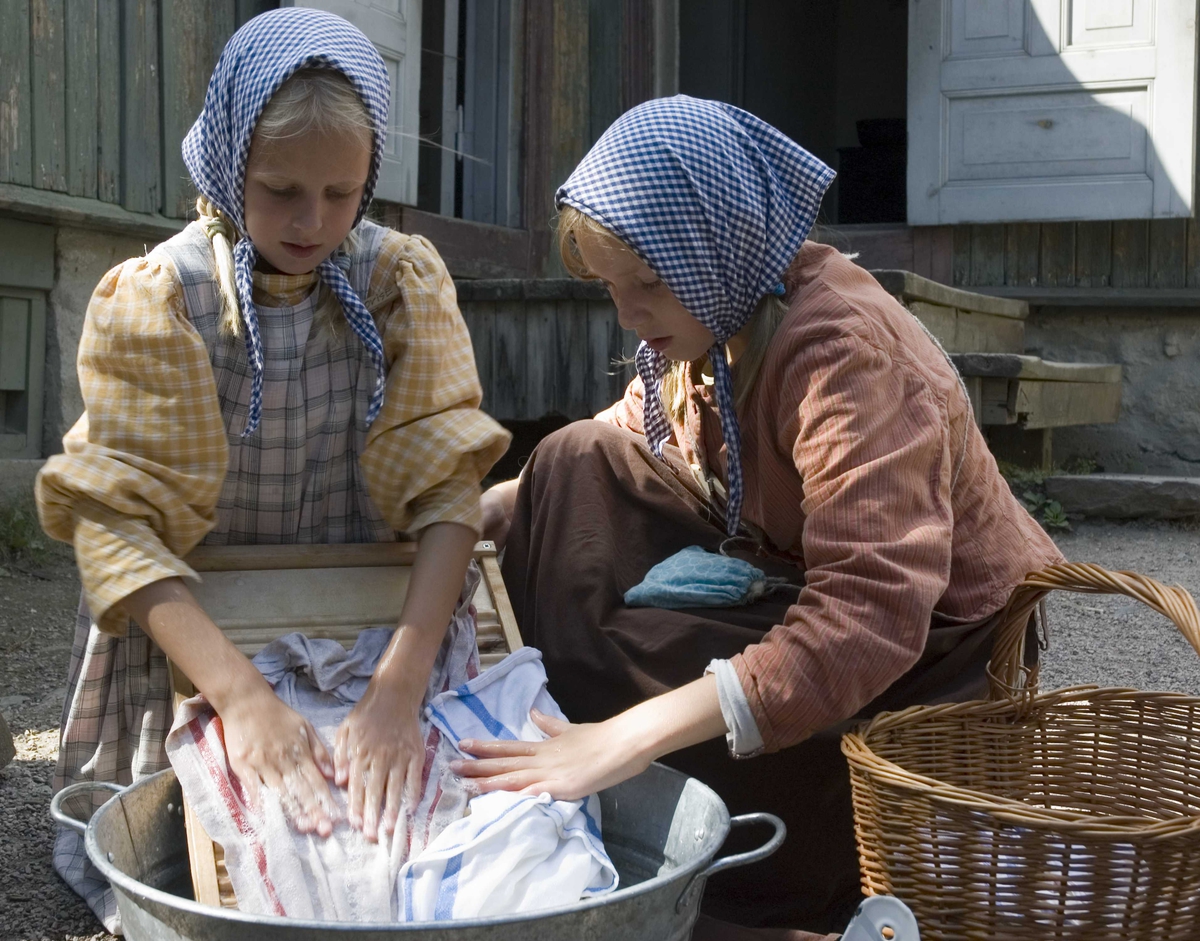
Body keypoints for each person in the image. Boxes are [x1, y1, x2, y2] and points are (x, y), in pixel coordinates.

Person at [465, 96, 1064, 938]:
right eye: (612, 286)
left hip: (931, 653)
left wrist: (625, 738)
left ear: (719, 250)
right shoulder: (715, 317)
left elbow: (867, 617)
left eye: (647, 283)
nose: (628, 311)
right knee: (565, 465)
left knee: (635, 666)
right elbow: (637, 428)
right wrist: (488, 510)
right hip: (803, 576)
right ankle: (579, 734)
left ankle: (737, 863)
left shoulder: (843, 354)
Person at [35, 9, 508, 931]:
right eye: (280, 188)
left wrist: (401, 684)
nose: (312, 220)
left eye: (341, 192)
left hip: (368, 622)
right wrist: (242, 699)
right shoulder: (167, 298)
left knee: (402, 832)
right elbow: (116, 522)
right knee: (197, 846)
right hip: (195, 624)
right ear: (224, 164)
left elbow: (448, 492)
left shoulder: (398, 283)